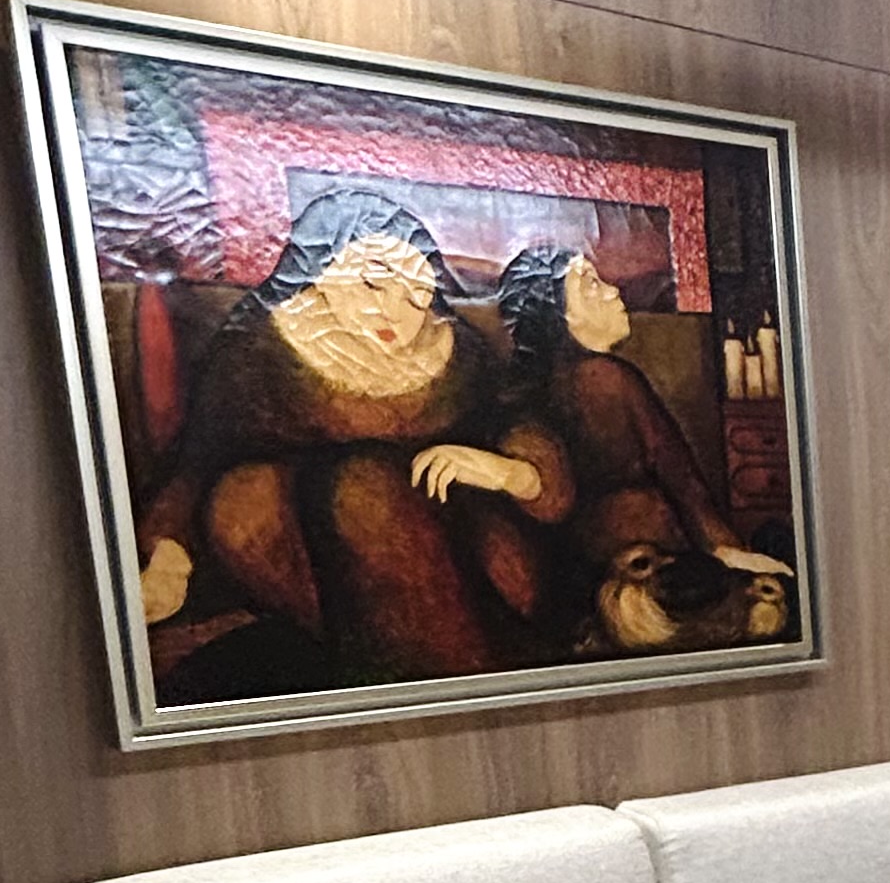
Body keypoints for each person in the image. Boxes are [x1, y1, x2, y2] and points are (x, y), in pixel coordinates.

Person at [134, 196, 566, 679]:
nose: (395, 313)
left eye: (417, 296)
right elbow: (197, 464)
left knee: (365, 486)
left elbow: (518, 424)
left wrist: (512, 470)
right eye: (373, 282)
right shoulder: (255, 349)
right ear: (320, 270)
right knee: (282, 494)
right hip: (298, 556)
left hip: (460, 551)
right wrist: (168, 561)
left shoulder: (456, 352)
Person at [492, 243, 791, 647]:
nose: (613, 292)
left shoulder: (559, 385)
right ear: (561, 315)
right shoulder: (604, 378)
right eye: (591, 285)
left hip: (605, 586)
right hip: (639, 579)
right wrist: (725, 548)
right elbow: (679, 476)